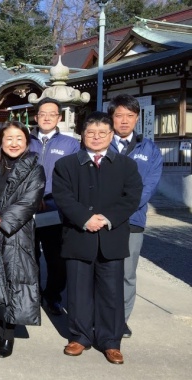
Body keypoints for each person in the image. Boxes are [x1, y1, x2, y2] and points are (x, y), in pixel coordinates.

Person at [53, 112, 142, 365]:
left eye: (102, 133)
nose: (96, 137)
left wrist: (106, 218)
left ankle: (111, 341)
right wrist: (84, 218)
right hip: (78, 235)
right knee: (78, 291)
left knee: (111, 292)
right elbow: (63, 196)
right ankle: (80, 336)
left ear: (111, 136)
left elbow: (131, 197)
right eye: (91, 132)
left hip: (112, 236)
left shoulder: (126, 165)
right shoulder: (67, 165)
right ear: (83, 135)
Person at [0, 121, 45, 358]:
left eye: (18, 139)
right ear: (0, 142)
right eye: (8, 139)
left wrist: (1, 221)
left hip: (16, 233)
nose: (13, 143)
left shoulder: (34, 168)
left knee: (14, 282)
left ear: (26, 142)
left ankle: (8, 336)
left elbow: (29, 200)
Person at [107, 94, 162, 338]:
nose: (124, 121)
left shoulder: (149, 149)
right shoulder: (101, 142)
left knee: (127, 274)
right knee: (103, 271)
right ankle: (101, 316)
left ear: (137, 118)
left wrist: (120, 211)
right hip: (103, 220)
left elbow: (148, 187)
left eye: (130, 116)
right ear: (112, 117)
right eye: (119, 115)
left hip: (132, 221)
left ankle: (121, 320)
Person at [29, 98, 80, 315]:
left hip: (54, 208)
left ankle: (53, 295)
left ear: (59, 118)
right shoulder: (26, 141)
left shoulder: (70, 145)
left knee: (56, 258)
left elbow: (74, 177)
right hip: (27, 207)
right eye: (42, 113)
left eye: (52, 114)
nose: (47, 117)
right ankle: (33, 295)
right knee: (29, 255)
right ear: (36, 116)